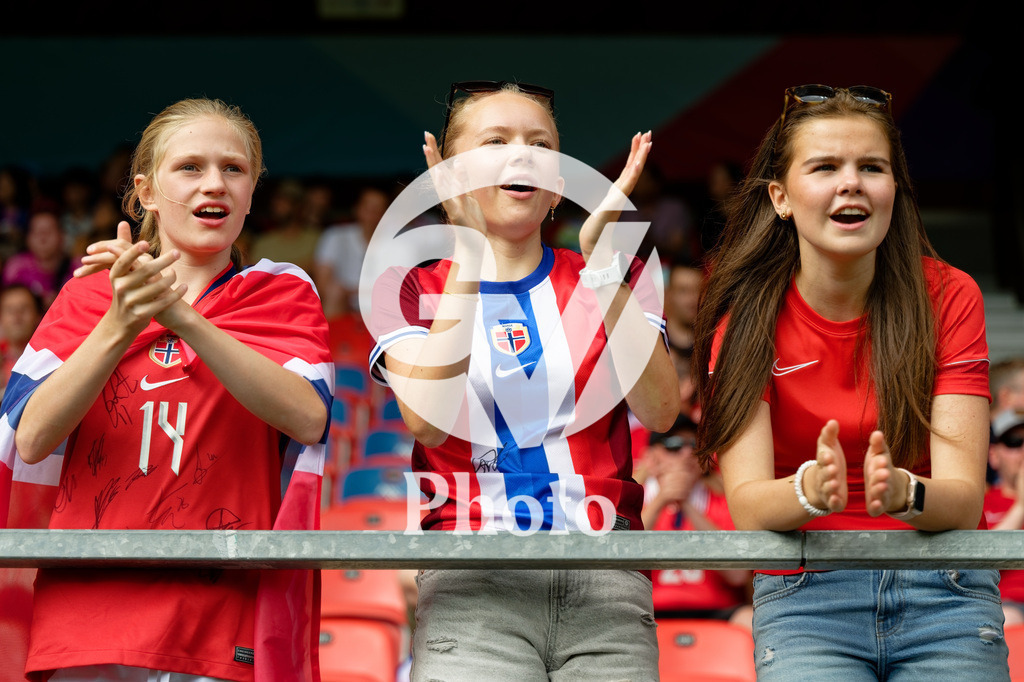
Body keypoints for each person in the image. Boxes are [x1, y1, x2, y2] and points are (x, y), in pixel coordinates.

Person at [0, 98, 333, 682]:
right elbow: (30, 437)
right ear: (146, 191)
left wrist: (181, 317)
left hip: (216, 615)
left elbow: (307, 419)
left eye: (234, 169)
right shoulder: (90, 296)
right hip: (87, 615)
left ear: (253, 191)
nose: (216, 183)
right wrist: (118, 324)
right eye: (190, 167)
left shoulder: (282, 291)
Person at [367, 81, 679, 681]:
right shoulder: (407, 286)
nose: (523, 156)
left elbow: (660, 411)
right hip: (471, 575)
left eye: (541, 146)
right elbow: (426, 419)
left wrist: (606, 263)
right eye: (497, 142)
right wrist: (466, 254)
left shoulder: (614, 273)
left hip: (606, 571)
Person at [693, 85, 1008, 679]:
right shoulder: (746, 316)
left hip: (946, 588)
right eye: (825, 167)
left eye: (872, 167)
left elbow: (965, 499)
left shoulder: (950, 295)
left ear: (895, 190)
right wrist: (810, 491)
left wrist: (904, 495)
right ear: (781, 198)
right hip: (806, 596)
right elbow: (749, 506)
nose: (852, 183)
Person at [640, 415, 752, 626]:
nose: (686, 453)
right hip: (646, 612)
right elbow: (617, 563)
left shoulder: (725, 500)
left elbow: (738, 575)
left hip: (717, 610)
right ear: (650, 459)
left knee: (752, 620)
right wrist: (662, 499)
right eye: (673, 445)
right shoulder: (634, 501)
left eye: (694, 445)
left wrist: (687, 505)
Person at [313, 184, 390, 318]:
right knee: (334, 292)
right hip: (342, 303)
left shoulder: (395, 242)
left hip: (381, 305)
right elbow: (322, 284)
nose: (372, 212)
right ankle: (330, 338)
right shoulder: (335, 235)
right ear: (357, 208)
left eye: (378, 208)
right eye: (368, 206)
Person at [983, 408, 1024, 625]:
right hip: (1004, 608)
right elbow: (979, 562)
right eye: (1014, 442)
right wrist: (1021, 506)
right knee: (1008, 619)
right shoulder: (982, 505)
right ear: (994, 456)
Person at [0, 284, 44, 392]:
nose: (17, 315)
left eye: (24, 308)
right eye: (9, 309)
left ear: (38, 316)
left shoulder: (49, 358)